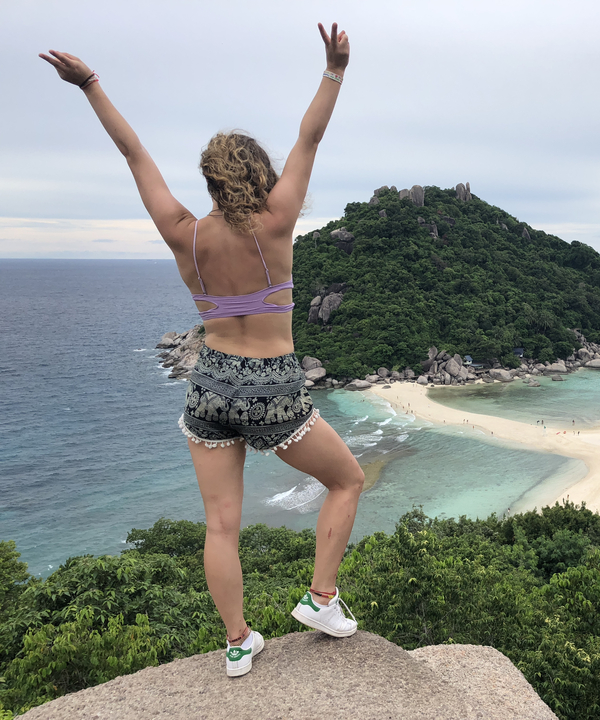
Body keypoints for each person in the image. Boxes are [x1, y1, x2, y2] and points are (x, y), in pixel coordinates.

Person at [40, 22, 363, 679]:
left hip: (210, 383)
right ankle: (321, 598)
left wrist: (91, 85)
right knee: (347, 479)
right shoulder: (277, 223)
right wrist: (334, 71)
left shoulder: (183, 234)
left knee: (221, 526)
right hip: (272, 385)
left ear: (209, 181)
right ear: (259, 175)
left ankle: (239, 642)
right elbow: (311, 136)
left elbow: (134, 156)